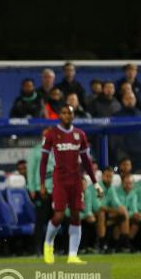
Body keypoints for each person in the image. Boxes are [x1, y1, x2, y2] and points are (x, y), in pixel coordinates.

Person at [40, 106, 103, 265]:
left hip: (76, 180)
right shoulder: (52, 133)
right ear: (60, 115)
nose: (67, 115)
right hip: (60, 180)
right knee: (59, 215)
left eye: (70, 113)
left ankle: (73, 255)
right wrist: (41, 183)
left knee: (76, 215)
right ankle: (48, 245)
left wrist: (95, 183)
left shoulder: (80, 134)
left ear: (73, 116)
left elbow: (87, 162)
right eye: (64, 112)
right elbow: (43, 161)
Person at [27, 130, 55, 256]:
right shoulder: (35, 151)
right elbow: (31, 170)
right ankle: (37, 249)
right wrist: (32, 188)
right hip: (40, 190)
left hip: (55, 190)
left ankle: (51, 248)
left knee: (54, 221)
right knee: (40, 221)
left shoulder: (56, 151)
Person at [96, 167, 130, 252]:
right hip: (94, 213)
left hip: (108, 213)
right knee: (102, 213)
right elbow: (99, 206)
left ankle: (123, 245)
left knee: (123, 213)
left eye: (111, 177)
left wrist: (121, 208)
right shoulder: (97, 187)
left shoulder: (111, 188)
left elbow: (116, 202)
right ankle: (101, 245)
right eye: (107, 176)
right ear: (102, 176)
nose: (109, 178)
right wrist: (115, 210)